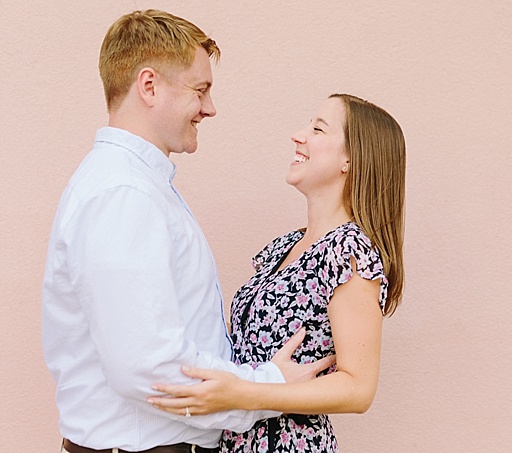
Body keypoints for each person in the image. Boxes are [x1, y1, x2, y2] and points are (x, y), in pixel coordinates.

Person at [41, 10, 332, 453]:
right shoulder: (123, 194)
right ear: (149, 86)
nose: (210, 108)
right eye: (201, 90)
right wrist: (270, 387)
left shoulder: (137, 186)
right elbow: (152, 370)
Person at [147, 93, 406, 452]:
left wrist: (244, 393)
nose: (298, 136)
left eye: (318, 129)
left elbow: (358, 387)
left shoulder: (350, 253)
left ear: (351, 159)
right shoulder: (285, 247)